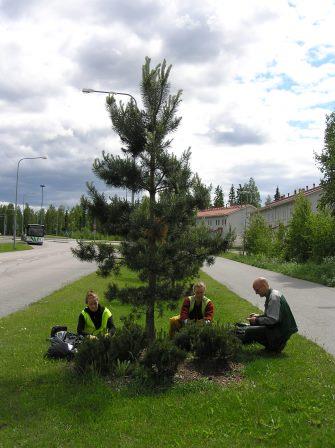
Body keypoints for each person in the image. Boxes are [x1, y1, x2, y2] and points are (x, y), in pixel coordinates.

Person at [236, 277, 298, 352]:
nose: (256, 292)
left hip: (280, 335)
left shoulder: (274, 298)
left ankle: (274, 347)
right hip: (278, 330)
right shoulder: (273, 294)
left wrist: (256, 320)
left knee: (249, 330)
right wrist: (258, 316)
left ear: (264, 286)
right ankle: (242, 336)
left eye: (257, 290)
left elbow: (272, 320)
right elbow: (272, 315)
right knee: (249, 325)